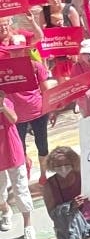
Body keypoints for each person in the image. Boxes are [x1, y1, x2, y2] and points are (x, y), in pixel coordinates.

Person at [10, 54, 49, 189]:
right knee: (20, 148)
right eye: (14, 51)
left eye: (20, 50)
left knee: (42, 144)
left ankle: (44, 174)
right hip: (16, 116)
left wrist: (52, 108)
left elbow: (45, 89)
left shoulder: (36, 66)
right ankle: (26, 168)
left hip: (38, 111)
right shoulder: (5, 70)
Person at [0, 93, 33, 239]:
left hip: (12, 151)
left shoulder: (6, 101)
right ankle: (6, 210)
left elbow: (13, 119)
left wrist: (2, 106)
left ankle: (28, 224)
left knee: (20, 189)